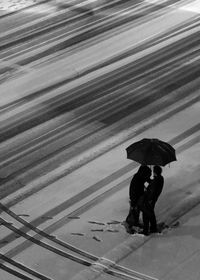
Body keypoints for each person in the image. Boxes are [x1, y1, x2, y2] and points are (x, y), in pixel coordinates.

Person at [125, 165, 151, 233]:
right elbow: (133, 192)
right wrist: (133, 202)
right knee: (134, 213)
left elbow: (146, 179)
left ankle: (134, 223)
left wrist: (150, 181)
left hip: (137, 198)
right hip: (135, 198)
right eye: (147, 175)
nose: (148, 176)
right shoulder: (137, 180)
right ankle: (130, 226)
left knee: (135, 212)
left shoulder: (139, 177)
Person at [140, 165, 164, 236]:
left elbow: (152, 190)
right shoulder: (160, 178)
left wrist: (146, 190)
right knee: (151, 213)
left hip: (150, 200)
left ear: (155, 172)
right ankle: (153, 228)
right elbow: (153, 183)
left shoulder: (156, 180)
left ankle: (145, 231)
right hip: (153, 200)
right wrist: (149, 179)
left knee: (146, 214)